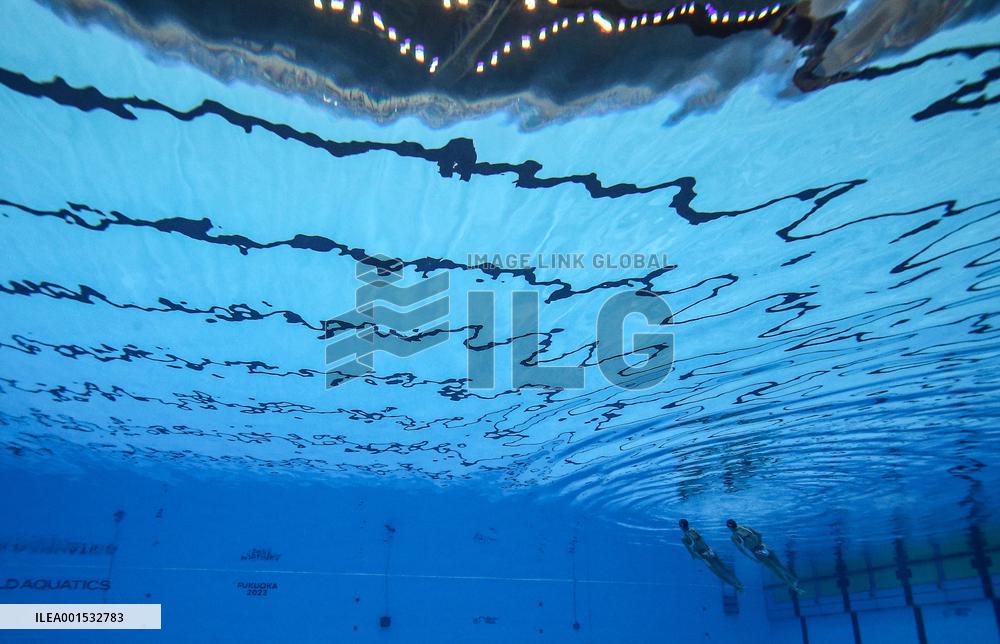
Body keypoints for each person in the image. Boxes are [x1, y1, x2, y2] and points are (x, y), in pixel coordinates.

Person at [726, 518, 802, 593]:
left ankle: (793, 586)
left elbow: (741, 549)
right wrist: (760, 544)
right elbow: (759, 534)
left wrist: (751, 558)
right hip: (764, 547)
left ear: (729, 528)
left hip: (757, 552)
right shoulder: (745, 527)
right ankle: (795, 579)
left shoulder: (734, 537)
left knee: (775, 570)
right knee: (780, 565)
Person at [679, 519, 744, 592]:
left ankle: (737, 587)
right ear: (687, 524)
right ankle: (738, 581)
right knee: (724, 567)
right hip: (710, 550)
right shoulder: (693, 530)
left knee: (718, 573)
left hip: (704, 556)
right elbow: (702, 540)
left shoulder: (684, 538)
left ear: (680, 527)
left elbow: (691, 552)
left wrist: (695, 556)